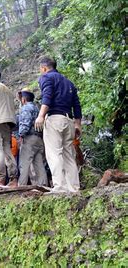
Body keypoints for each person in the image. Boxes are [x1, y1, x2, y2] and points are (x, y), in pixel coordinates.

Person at [35, 57, 82, 193]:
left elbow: (47, 96)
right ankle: (74, 188)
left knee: (54, 153)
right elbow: (77, 105)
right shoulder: (69, 82)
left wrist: (41, 115)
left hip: (54, 119)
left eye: (41, 69)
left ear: (44, 68)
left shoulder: (47, 78)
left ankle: (60, 187)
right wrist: (78, 124)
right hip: (68, 121)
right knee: (68, 155)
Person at [18, 90, 48, 186]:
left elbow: (25, 123)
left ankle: (21, 185)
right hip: (39, 138)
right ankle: (43, 185)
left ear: (24, 99)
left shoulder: (26, 108)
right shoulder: (37, 108)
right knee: (38, 164)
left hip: (29, 138)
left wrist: (21, 135)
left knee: (24, 163)